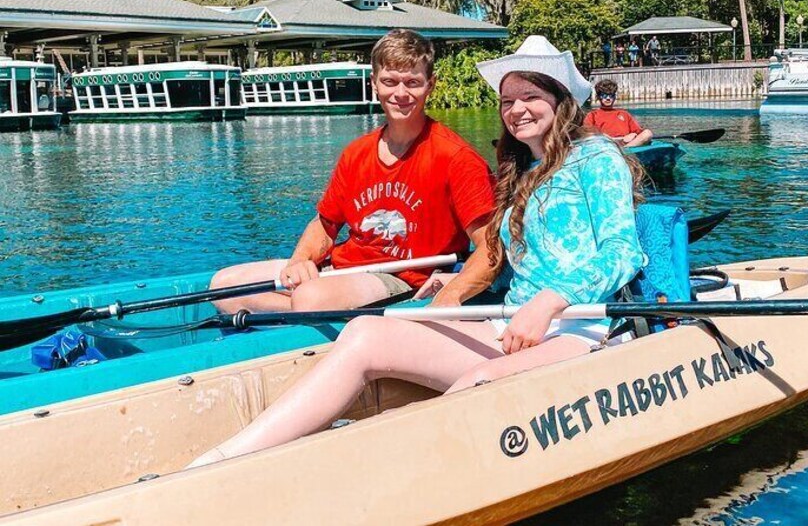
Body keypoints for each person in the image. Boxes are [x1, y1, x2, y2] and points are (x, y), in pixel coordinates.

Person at [187, 35, 645, 467]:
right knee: (366, 333)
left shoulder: (596, 156)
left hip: (581, 326)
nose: (518, 109)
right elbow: (523, 260)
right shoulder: (520, 169)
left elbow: (623, 252)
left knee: (476, 388)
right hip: (510, 323)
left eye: (531, 97)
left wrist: (550, 301)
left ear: (560, 99)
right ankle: (227, 459)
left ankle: (391, 467)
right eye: (508, 101)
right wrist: (459, 279)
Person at [209, 30, 497, 314]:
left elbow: (490, 247)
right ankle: (301, 315)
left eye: (413, 82)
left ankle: (299, 313)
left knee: (309, 299)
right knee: (224, 286)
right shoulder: (356, 153)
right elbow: (325, 225)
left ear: (430, 85)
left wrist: (454, 292)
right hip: (344, 266)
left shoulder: (457, 158)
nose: (400, 93)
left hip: (401, 279)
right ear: (374, 83)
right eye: (389, 82)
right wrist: (301, 259)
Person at [584, 79, 654, 147]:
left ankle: (625, 150)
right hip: (604, 144)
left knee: (648, 133)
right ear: (599, 97)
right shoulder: (592, 115)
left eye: (611, 95)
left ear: (614, 97)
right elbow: (587, 135)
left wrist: (634, 134)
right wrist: (606, 137)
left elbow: (639, 132)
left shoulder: (624, 114)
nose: (608, 98)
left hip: (626, 143)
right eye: (604, 95)